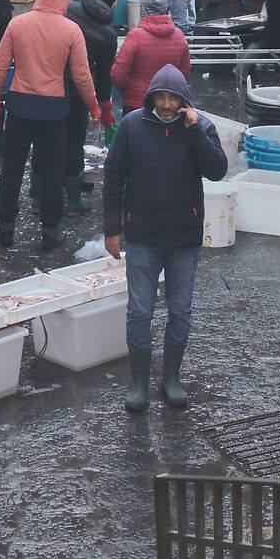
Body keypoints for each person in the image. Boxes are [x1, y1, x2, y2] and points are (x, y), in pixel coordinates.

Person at [102, 64, 226, 411]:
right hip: (142, 234)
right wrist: (112, 229)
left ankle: (171, 378)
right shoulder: (132, 126)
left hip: (183, 237)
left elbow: (217, 171)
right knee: (140, 311)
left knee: (180, 310)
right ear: (152, 96)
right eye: (162, 97)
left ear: (184, 100)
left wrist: (196, 133)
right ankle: (139, 382)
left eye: (174, 98)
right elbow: (113, 176)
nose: (167, 104)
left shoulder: (201, 127)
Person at [0, 0, 103, 252]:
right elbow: (82, 75)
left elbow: (0, 67)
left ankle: (5, 227)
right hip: (53, 111)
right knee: (52, 171)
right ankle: (50, 230)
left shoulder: (17, 23)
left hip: (19, 107)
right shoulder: (70, 29)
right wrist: (93, 105)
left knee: (11, 169)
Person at [64, 0, 120, 216]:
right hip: (78, 87)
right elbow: (104, 75)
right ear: (115, 3)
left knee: (48, 136)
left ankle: (39, 196)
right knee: (75, 139)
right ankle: (73, 203)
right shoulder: (108, 33)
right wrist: (104, 107)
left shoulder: (69, 7)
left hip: (50, 79)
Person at [111, 0, 193, 111]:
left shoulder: (135, 36)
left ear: (143, 9)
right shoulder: (179, 35)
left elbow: (119, 74)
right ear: (165, 8)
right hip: (169, 106)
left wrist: (127, 91)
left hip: (136, 102)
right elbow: (184, 73)